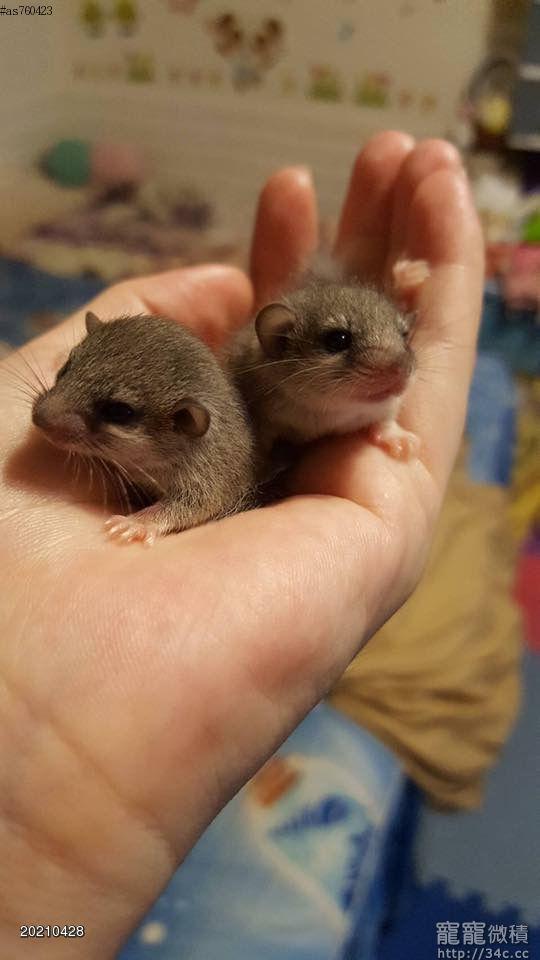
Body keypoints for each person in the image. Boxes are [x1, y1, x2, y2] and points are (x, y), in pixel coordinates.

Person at [0, 132, 483, 958]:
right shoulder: (238, 392)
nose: (44, 418)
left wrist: (161, 518)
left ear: (185, 424)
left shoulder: (224, 432)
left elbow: (219, 475)